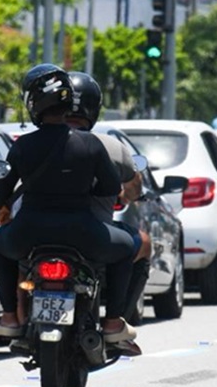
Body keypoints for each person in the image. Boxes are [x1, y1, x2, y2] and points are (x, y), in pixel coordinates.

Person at [0, 64, 138, 345]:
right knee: (128, 245)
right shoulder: (90, 144)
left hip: (28, 234)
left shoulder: (22, 145)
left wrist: (5, 208)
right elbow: (111, 188)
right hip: (83, 233)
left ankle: (9, 317)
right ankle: (114, 321)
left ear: (33, 105)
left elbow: (3, 191)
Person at [65, 71, 152, 319]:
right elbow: (134, 187)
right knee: (139, 243)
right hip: (93, 234)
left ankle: (13, 315)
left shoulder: (32, 143)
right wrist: (123, 195)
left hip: (35, 232)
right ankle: (115, 320)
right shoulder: (110, 146)